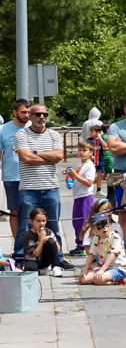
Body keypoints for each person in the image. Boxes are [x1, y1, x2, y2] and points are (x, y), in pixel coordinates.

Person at [13, 104, 64, 263]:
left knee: (53, 226)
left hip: (51, 188)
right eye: (38, 114)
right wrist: (49, 157)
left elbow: (59, 156)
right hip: (29, 189)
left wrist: (35, 152)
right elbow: (26, 158)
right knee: (25, 226)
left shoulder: (54, 135)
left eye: (45, 114)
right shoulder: (22, 134)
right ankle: (21, 258)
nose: (42, 117)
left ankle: (57, 259)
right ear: (30, 116)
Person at [65, 141, 98, 255]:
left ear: (91, 152)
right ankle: (80, 244)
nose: (81, 152)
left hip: (85, 197)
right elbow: (78, 178)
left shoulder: (90, 166)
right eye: (79, 150)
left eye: (84, 150)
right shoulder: (81, 163)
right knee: (77, 222)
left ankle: (83, 246)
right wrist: (70, 175)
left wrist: (75, 175)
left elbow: (89, 183)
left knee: (83, 222)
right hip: (78, 196)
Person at [79, 212, 126, 285]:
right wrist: (85, 270)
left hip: (119, 268)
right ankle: (102, 277)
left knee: (97, 280)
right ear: (94, 229)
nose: (104, 227)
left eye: (105, 224)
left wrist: (102, 270)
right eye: (100, 225)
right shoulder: (96, 238)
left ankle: (118, 281)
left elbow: (113, 255)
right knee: (82, 279)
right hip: (106, 267)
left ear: (109, 225)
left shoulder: (115, 237)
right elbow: (91, 255)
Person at [21, 207, 64, 276]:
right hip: (32, 259)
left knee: (50, 241)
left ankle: (56, 266)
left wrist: (53, 239)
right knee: (30, 269)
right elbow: (36, 254)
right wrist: (41, 239)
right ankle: (41, 271)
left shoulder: (49, 231)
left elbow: (58, 250)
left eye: (44, 221)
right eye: (38, 221)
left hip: (45, 260)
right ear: (31, 221)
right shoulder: (28, 235)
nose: (41, 223)